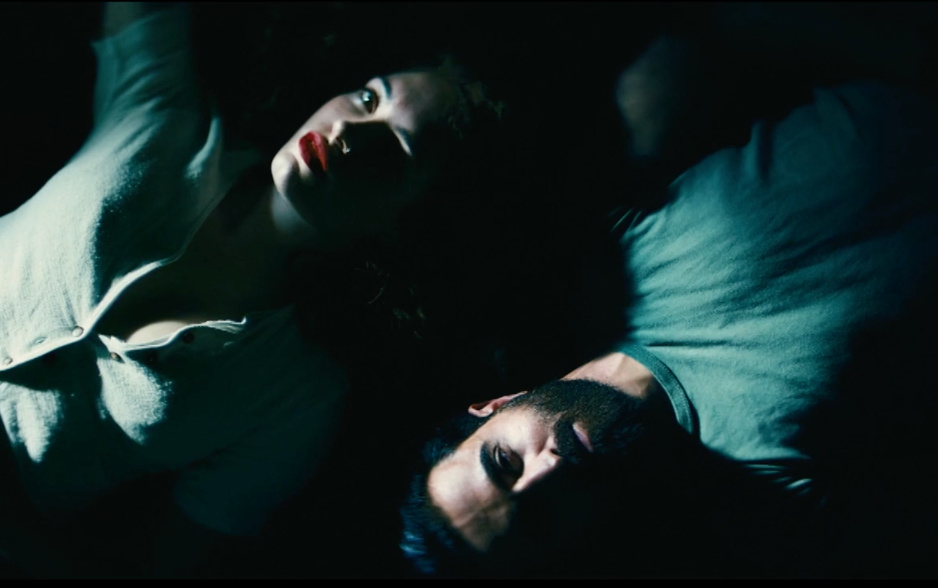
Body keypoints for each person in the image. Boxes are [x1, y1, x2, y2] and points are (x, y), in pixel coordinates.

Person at [400, 14, 938, 578]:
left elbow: (707, 31)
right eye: (538, 517)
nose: (547, 471)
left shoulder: (600, 246)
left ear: (496, 405)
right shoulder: (770, 501)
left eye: (505, 461)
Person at [0, 2, 512, 578]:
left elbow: (160, 562)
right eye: (369, 98)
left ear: (410, 225)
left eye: (394, 150)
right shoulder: (167, 120)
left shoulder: (299, 396)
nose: (346, 130)